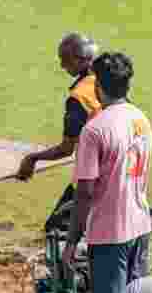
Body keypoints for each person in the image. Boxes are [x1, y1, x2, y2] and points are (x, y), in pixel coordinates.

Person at [64, 51, 152, 293]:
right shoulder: (141, 119)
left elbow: (84, 192)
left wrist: (72, 241)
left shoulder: (96, 129)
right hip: (140, 225)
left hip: (111, 232)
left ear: (98, 85)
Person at [16, 32, 102, 182]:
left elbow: (66, 149)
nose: (62, 66)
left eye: (66, 60)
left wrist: (32, 158)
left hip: (95, 175)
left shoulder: (78, 98)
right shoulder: (109, 81)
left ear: (79, 59)